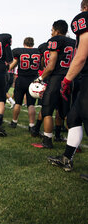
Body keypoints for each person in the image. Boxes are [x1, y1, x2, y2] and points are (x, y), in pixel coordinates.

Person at [47, 0, 88, 177]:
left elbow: (82, 55)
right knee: (73, 118)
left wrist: (67, 80)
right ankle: (67, 157)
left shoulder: (84, 18)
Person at [34, 20, 76, 148]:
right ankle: (73, 144)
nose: (51, 33)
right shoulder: (74, 42)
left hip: (56, 79)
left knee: (47, 110)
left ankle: (47, 141)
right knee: (66, 113)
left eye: (52, 30)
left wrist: (40, 78)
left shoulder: (55, 40)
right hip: (70, 78)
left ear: (56, 31)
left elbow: (51, 66)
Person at [8, 37, 41, 131]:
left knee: (18, 103)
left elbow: (12, 66)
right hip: (33, 80)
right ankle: (31, 125)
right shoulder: (38, 52)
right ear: (33, 44)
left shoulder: (19, 51)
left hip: (21, 79)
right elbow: (41, 65)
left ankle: (14, 122)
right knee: (31, 105)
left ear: (24, 43)